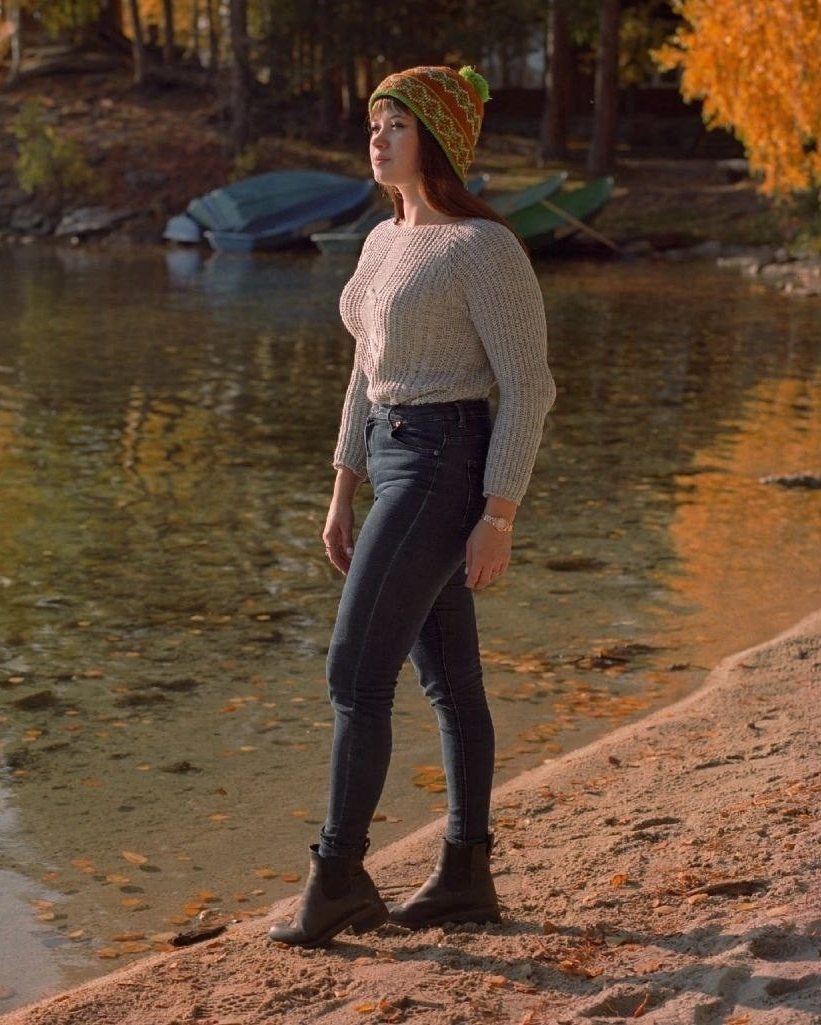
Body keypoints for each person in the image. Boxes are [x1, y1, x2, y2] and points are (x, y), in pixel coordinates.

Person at [268, 65, 557, 948]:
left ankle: (339, 875)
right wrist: (340, 488)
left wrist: (497, 514)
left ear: (435, 140)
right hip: (392, 460)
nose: (378, 137)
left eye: (396, 124)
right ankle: (466, 872)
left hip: (442, 464)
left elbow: (530, 389)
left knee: (355, 671)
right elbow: (363, 373)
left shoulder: (481, 248)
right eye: (375, 122)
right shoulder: (380, 240)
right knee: (448, 680)